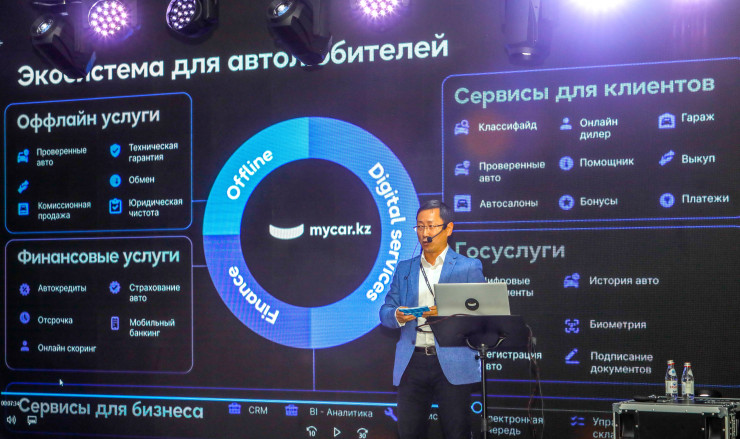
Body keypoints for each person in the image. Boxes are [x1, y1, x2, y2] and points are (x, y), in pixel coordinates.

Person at [380, 200, 485, 439]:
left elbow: (481, 312)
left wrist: (444, 310)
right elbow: (385, 311)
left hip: (452, 361)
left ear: (448, 228)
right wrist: (397, 315)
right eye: (420, 226)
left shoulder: (468, 267)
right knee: (409, 432)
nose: (424, 233)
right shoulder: (404, 268)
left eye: (431, 226)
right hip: (412, 362)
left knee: (456, 432)